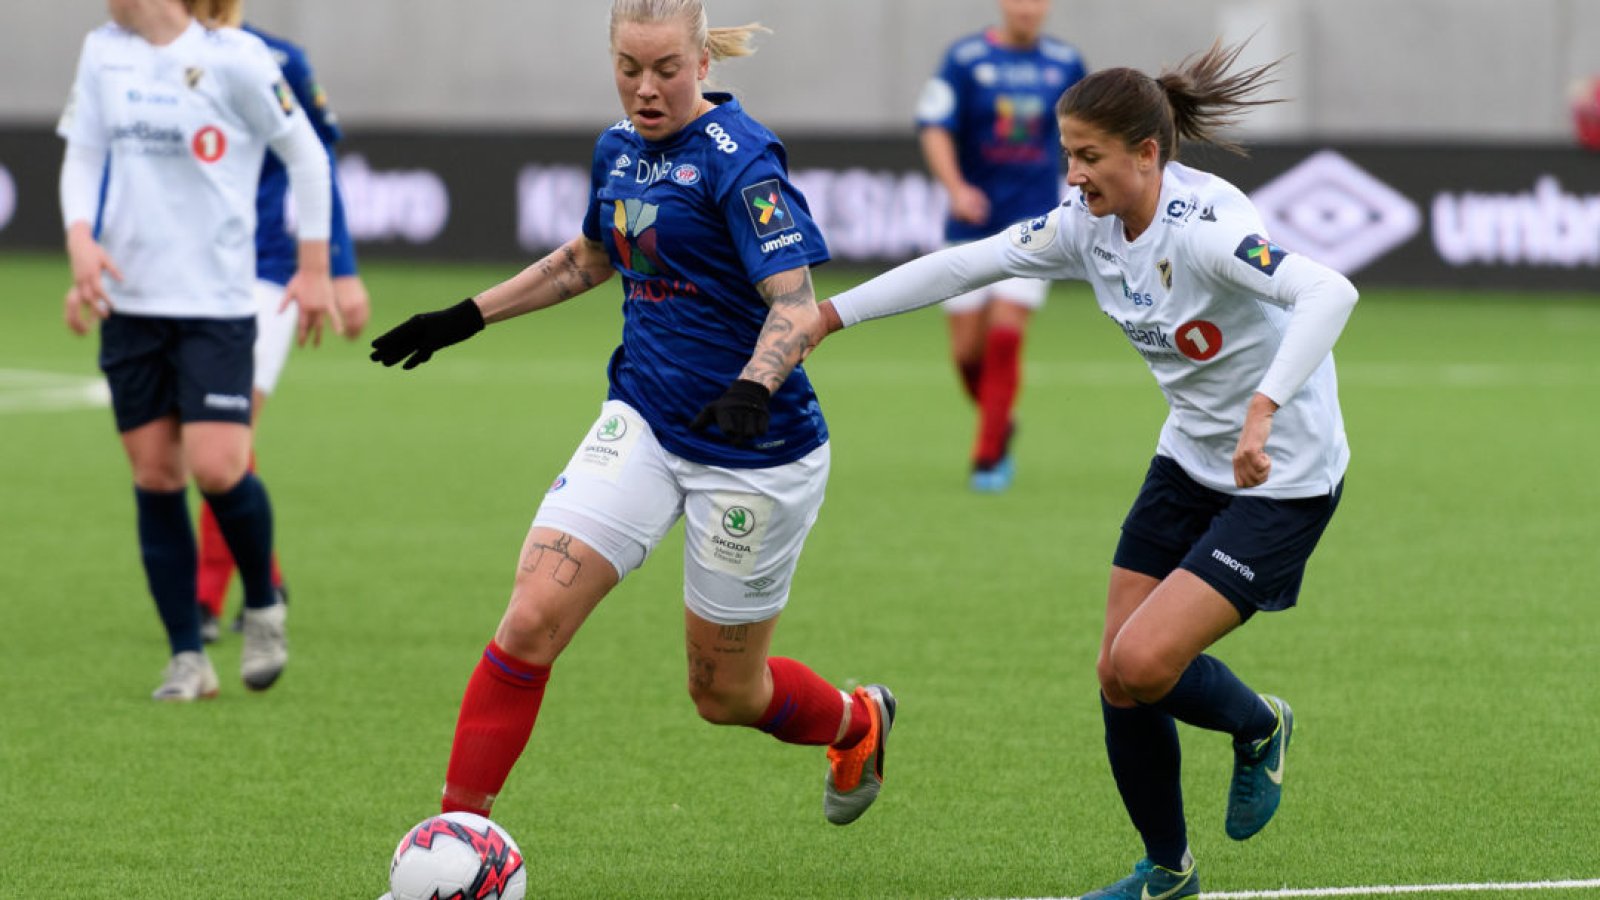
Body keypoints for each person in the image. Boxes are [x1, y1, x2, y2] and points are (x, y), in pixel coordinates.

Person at [818, 40, 1356, 899]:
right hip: (1187, 459)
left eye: (1088, 157)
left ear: (1148, 154)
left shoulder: (1209, 228)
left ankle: (1259, 725)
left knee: (1142, 665)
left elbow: (1330, 291)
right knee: (1116, 669)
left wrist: (1264, 408)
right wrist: (829, 317)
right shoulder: (1087, 226)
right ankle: (1166, 870)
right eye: (1066, 154)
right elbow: (966, 263)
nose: (1072, 175)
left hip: (1278, 478)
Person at [368, 0, 895, 828]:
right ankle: (456, 837)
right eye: (628, 69)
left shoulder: (741, 160)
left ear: (703, 66)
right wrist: (464, 317)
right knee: (531, 616)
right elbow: (588, 258)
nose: (645, 90)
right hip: (643, 423)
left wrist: (756, 384)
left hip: (754, 451)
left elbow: (795, 305)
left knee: (724, 694)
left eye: (665, 71)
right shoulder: (617, 148)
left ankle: (856, 720)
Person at [59, 0, 334, 701]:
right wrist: (81, 241)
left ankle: (265, 602)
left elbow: (306, 152)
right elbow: (84, 156)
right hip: (131, 304)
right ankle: (188, 657)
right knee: (156, 476)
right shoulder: (102, 52)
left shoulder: (237, 59)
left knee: (218, 467)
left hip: (216, 305)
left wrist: (314, 269)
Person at [187, 0, 372, 643]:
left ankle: (205, 600)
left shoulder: (279, 59)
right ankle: (264, 573)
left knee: (225, 432)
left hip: (266, 274)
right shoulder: (158, 60)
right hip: (183, 278)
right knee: (211, 440)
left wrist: (338, 268)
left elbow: (317, 162)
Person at [915, 0, 1086, 492]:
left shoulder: (1066, 63)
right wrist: (955, 189)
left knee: (1005, 336)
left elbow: (1094, 130)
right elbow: (934, 127)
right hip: (971, 225)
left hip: (1037, 226)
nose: (1028, 10)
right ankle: (1001, 420)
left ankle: (988, 457)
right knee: (968, 353)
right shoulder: (965, 59)